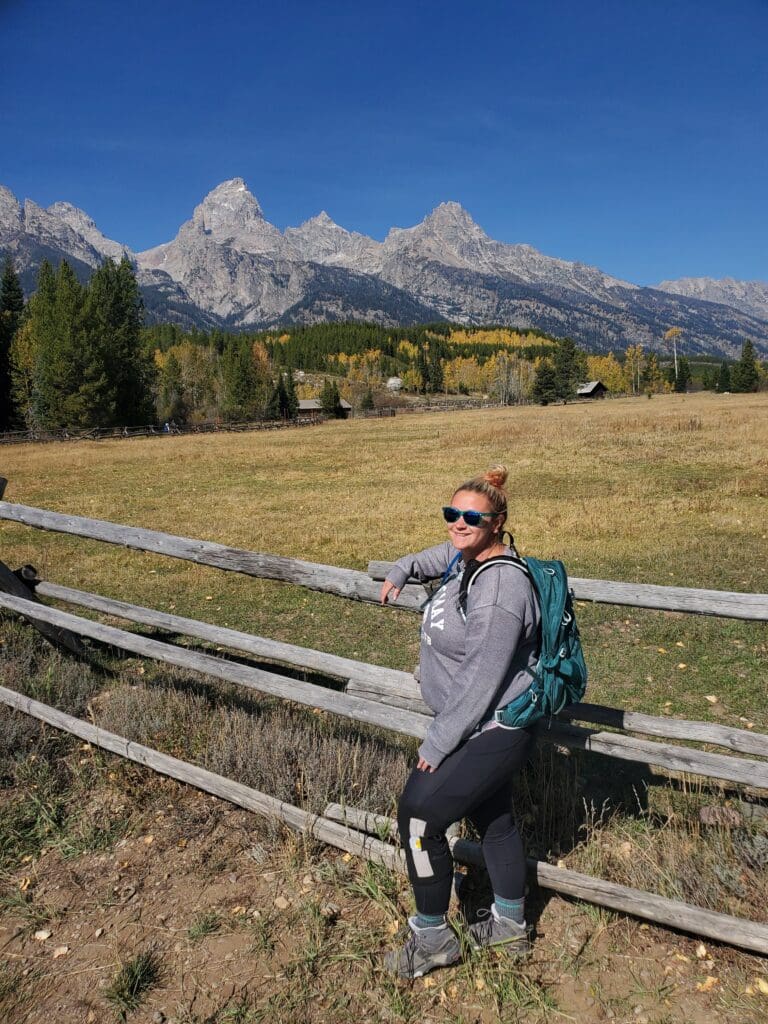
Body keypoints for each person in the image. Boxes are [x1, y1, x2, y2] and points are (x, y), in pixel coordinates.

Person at [380, 465, 540, 979]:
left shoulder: (500, 588)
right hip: (474, 724)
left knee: (419, 817)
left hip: (491, 726)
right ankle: (510, 926)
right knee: (495, 817)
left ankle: (431, 940)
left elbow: (480, 679)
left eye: (472, 517)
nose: (459, 523)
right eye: (453, 514)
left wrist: (439, 741)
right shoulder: (464, 555)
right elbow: (437, 555)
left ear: (498, 522)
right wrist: (403, 567)